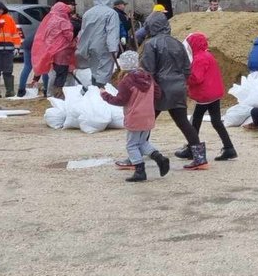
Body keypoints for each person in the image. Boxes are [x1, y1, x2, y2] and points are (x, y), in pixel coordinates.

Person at [139, 13, 202, 167]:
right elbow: (187, 67)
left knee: (145, 122)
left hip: (159, 88)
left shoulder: (150, 44)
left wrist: (146, 88)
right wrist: (182, 82)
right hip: (178, 87)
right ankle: (200, 157)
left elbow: (148, 70)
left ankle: (136, 155)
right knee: (183, 122)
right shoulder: (178, 43)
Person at [100, 51, 170, 182]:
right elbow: (158, 94)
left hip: (134, 116)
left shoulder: (126, 81)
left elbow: (119, 100)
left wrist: (104, 95)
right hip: (148, 115)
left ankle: (140, 170)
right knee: (143, 142)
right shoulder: (148, 77)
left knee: (131, 145)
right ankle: (159, 158)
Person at [184, 32, 236, 164]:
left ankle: (192, 148)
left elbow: (196, 78)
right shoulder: (206, 55)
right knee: (216, 121)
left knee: (195, 120)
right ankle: (229, 147)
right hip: (213, 93)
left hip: (205, 94)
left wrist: (185, 75)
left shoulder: (199, 58)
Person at [31, 2, 77, 98]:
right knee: (62, 74)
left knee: (54, 73)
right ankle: (58, 95)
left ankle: (51, 93)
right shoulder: (63, 21)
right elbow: (69, 36)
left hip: (52, 51)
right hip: (63, 51)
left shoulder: (50, 21)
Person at [76, 0, 121, 86]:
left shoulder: (88, 13)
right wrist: (113, 48)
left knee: (94, 69)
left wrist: (82, 47)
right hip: (104, 46)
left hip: (90, 45)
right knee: (104, 70)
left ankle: (94, 90)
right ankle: (101, 91)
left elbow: (83, 31)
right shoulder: (111, 13)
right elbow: (112, 31)